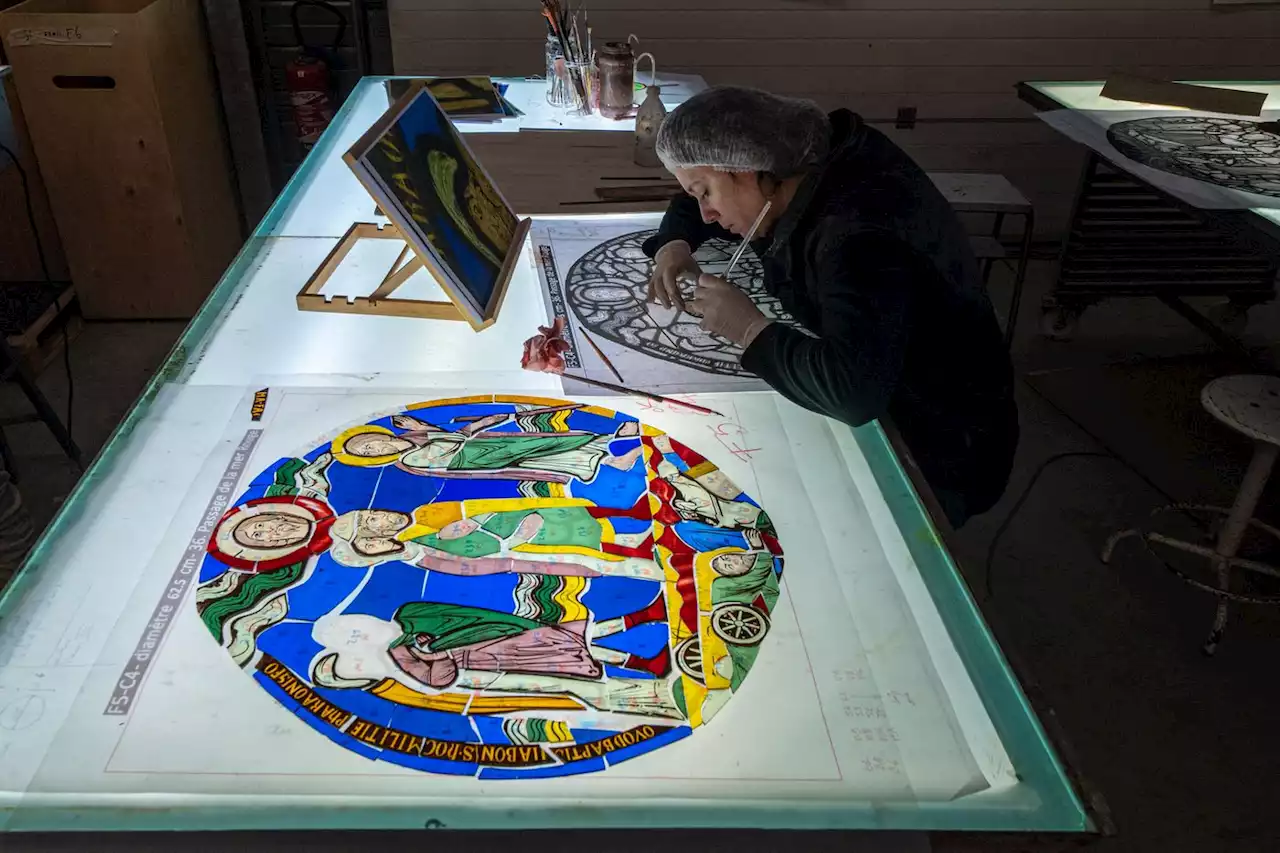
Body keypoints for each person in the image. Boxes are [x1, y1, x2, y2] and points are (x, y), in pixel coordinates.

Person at [644, 86, 1018, 527]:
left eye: (706, 193)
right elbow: (696, 203)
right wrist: (673, 242)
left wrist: (750, 330)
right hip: (893, 379)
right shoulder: (810, 161)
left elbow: (853, 390)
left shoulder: (856, 235)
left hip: (939, 441)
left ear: (747, 170)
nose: (705, 213)